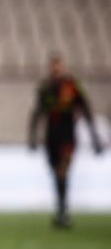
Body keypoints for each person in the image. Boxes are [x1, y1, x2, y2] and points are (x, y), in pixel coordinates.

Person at [29, 55, 104, 228]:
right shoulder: (45, 87)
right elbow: (37, 113)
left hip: (68, 137)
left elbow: (86, 110)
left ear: (63, 67)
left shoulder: (72, 86)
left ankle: (62, 212)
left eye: (59, 66)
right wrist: (32, 137)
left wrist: (95, 138)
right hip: (51, 138)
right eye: (53, 67)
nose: (56, 70)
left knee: (62, 172)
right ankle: (61, 210)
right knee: (56, 174)